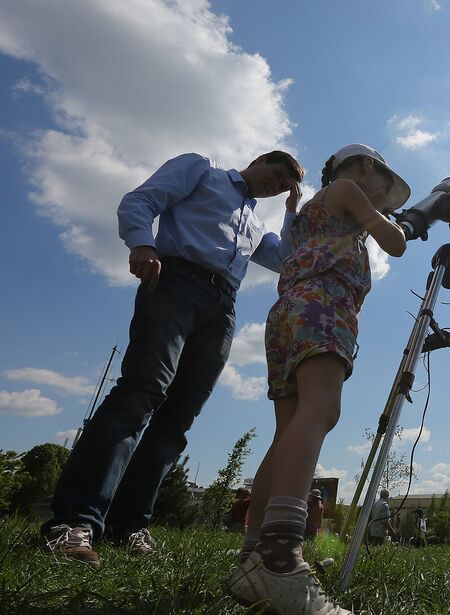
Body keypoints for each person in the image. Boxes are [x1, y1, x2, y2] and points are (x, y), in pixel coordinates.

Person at [40, 151, 304, 568]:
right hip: (176, 281)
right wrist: (141, 242)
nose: (273, 187)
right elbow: (141, 200)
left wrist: (291, 212)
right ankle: (75, 520)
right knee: (142, 391)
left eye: (281, 187)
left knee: (179, 415)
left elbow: (288, 259)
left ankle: (129, 526)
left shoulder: (255, 224)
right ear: (257, 161)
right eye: (273, 175)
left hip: (223, 307)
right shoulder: (205, 170)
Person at [224, 144, 409, 614]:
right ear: (368, 167)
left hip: (288, 310)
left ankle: (252, 556)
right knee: (321, 409)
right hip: (326, 302)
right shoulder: (347, 189)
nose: (384, 198)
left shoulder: (308, 211)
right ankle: (281, 559)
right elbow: (395, 242)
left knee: (289, 427)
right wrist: (399, 225)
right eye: (385, 190)